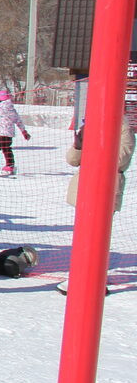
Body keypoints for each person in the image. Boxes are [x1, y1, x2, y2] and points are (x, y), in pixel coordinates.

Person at [60, 118, 137, 294]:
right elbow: (72, 160)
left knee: (98, 237)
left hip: (106, 187)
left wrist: (95, 147)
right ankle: (79, 275)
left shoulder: (124, 130)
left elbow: (120, 160)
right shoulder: (91, 126)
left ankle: (95, 280)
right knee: (83, 236)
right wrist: (78, 146)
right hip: (84, 186)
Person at [0, 89, 31, 175]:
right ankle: (10, 165)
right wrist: (24, 132)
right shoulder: (12, 109)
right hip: (10, 134)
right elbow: (19, 121)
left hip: (1, 132)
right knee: (6, 148)